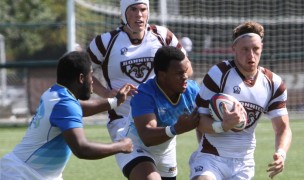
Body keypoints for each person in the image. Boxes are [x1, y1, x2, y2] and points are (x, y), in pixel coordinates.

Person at [0, 51, 136, 180]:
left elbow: (78, 108)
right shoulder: (65, 104)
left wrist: (114, 101)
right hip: (21, 175)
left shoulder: (55, 92)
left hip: (30, 172)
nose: (93, 81)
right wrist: (121, 146)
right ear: (81, 78)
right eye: (91, 75)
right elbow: (82, 149)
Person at [189, 21, 292, 180]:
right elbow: (199, 121)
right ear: (234, 49)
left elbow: (282, 128)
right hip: (211, 157)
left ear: (262, 48)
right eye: (245, 49)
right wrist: (223, 125)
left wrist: (281, 153)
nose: (251, 55)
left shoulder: (273, 83)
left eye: (255, 49)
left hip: (244, 163)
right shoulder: (219, 74)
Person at [85, 0, 193, 143]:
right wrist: (105, 93)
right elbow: (82, 74)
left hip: (160, 118)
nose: (139, 15)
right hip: (122, 121)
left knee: (162, 165)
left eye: (143, 9)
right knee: (141, 164)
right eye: (133, 9)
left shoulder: (163, 35)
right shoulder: (104, 42)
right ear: (124, 13)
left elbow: (187, 68)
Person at [113, 46, 199, 180]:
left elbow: (207, 116)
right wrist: (176, 129)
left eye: (185, 71)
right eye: (178, 73)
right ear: (162, 75)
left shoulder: (192, 90)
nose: (185, 77)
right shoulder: (143, 94)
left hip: (166, 151)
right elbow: (147, 136)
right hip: (134, 146)